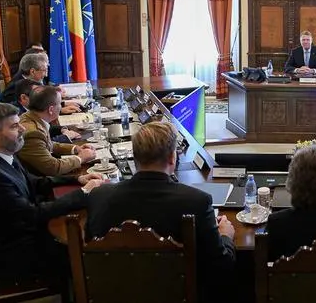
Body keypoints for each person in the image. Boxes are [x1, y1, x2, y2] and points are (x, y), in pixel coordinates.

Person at [86, 122, 236, 303]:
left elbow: (91, 255)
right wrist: (225, 236)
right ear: (172, 158)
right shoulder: (197, 202)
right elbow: (221, 266)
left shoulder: (99, 196)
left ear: (135, 157)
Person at [0, 102, 103, 281]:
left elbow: (32, 182)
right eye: (14, 126)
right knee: (90, 248)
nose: (22, 129)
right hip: (9, 254)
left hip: (19, 232)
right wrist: (84, 193)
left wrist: (77, 180)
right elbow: (33, 214)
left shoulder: (0, 153)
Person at [17, 85, 96, 176]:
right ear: (51, 109)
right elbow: (53, 167)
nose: (61, 107)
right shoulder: (33, 133)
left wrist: (76, 149)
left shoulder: (29, 116)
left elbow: (47, 144)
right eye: (59, 103)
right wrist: (80, 158)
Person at [13, 79, 81, 143]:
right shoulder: (16, 116)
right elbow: (41, 141)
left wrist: (62, 129)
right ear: (23, 98)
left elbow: (45, 127)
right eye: (35, 95)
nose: (42, 97)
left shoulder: (33, 112)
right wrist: (65, 137)